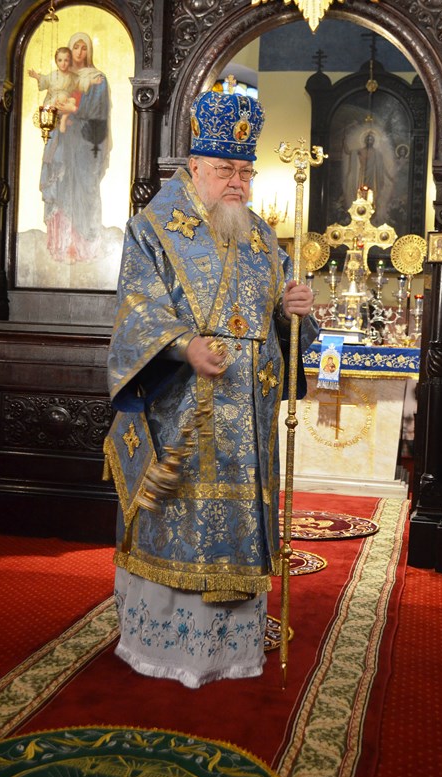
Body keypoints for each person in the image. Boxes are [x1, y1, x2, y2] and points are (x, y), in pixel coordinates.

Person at [104, 88, 318, 689]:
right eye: (226, 169)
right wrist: (183, 346)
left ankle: (232, 650)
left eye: (246, 172)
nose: (238, 183)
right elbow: (137, 310)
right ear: (195, 165)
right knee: (180, 527)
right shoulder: (152, 229)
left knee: (239, 530)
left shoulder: (262, 237)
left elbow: (282, 318)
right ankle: (166, 649)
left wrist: (295, 311)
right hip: (181, 413)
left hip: (247, 421)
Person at [39, 32, 111, 263]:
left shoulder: (98, 79)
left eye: (84, 48)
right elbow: (51, 101)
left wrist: (75, 111)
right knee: (62, 186)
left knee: (84, 188)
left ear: (89, 50)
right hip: (62, 141)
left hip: (85, 143)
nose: (79, 52)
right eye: (76, 47)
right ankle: (61, 246)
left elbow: (98, 112)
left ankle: (85, 248)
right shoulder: (63, 77)